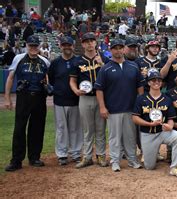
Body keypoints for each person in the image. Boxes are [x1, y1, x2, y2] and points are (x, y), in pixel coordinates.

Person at [94, 39, 145, 172]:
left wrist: (139, 105)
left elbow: (140, 87)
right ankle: (115, 161)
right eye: (115, 48)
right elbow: (99, 89)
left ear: (124, 49)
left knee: (130, 136)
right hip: (113, 109)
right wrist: (102, 107)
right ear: (111, 50)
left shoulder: (133, 66)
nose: (118, 50)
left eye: (120, 48)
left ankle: (132, 159)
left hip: (130, 108)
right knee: (114, 137)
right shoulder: (105, 68)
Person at [4, 35, 51, 172]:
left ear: (39, 46)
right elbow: (10, 78)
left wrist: (47, 86)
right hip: (24, 97)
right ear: (27, 46)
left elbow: (47, 78)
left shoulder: (44, 61)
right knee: (19, 128)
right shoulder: (19, 58)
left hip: (39, 97)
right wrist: (7, 98)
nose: (33, 48)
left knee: (37, 128)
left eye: (36, 46)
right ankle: (16, 160)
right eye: (31, 45)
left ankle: (34, 157)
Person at [131, 71, 177, 177]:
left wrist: (170, 126)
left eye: (159, 80)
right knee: (149, 166)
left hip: (162, 132)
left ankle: (174, 167)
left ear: (161, 83)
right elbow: (135, 118)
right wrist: (149, 124)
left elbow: (170, 118)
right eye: (153, 80)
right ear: (149, 83)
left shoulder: (167, 99)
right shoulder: (141, 98)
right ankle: (152, 153)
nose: (156, 82)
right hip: (148, 134)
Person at [70, 32, 110, 169]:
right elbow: (72, 80)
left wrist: (102, 64)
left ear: (95, 42)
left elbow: (111, 77)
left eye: (91, 41)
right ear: (82, 44)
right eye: (86, 41)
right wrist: (75, 90)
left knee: (100, 129)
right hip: (85, 98)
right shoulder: (78, 61)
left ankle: (101, 156)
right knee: (87, 130)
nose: (89, 43)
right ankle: (87, 157)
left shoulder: (104, 58)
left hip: (101, 98)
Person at [48, 36, 82, 166]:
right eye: (64, 45)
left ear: (73, 46)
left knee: (75, 128)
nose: (67, 47)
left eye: (69, 45)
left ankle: (76, 153)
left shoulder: (78, 61)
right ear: (60, 46)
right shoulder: (56, 62)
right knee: (61, 128)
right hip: (60, 100)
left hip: (75, 100)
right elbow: (51, 79)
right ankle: (62, 154)